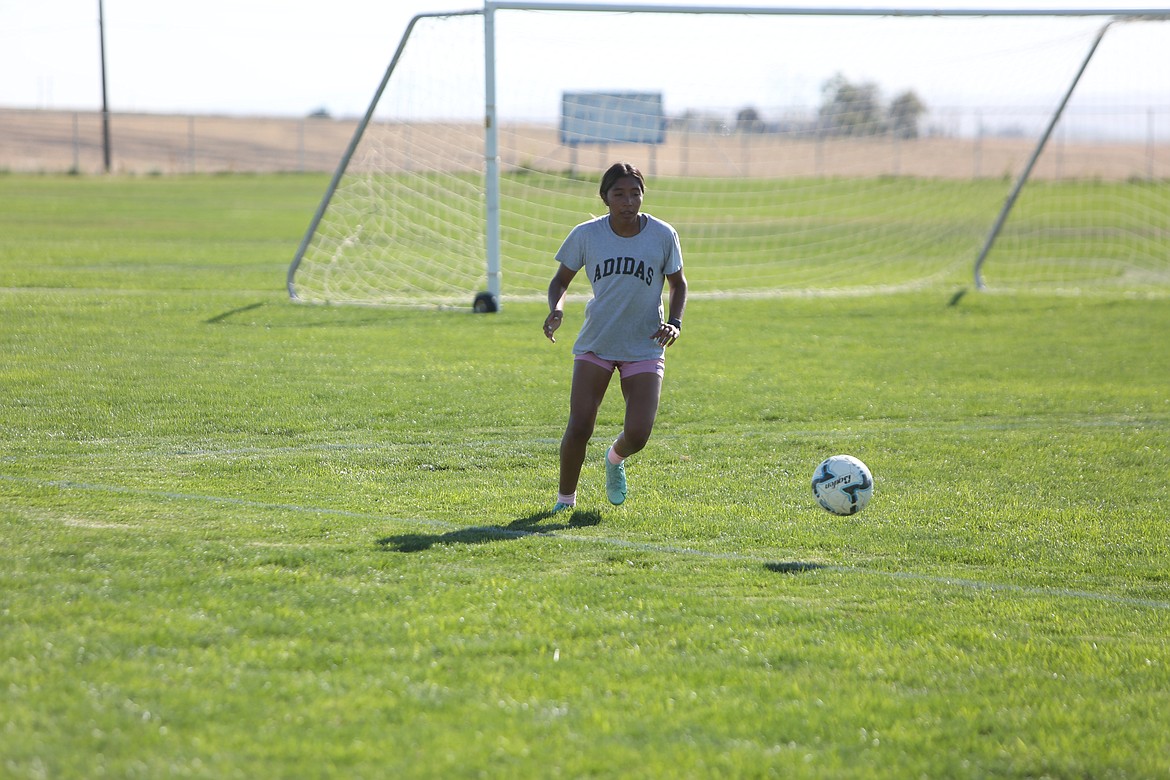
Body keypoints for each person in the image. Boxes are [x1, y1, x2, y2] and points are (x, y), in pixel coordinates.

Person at [543, 162, 688, 513]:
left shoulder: (662, 234)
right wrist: (557, 308)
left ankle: (614, 458)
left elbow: (678, 284)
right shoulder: (587, 235)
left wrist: (675, 322)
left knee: (638, 434)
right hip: (598, 342)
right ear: (605, 197)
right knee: (579, 426)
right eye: (619, 194)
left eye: (634, 193)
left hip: (644, 345)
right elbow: (560, 281)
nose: (628, 201)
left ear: (643, 196)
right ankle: (565, 502)